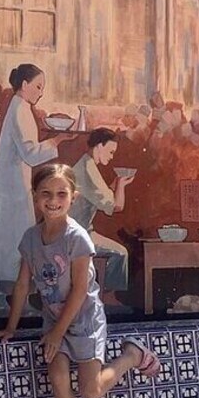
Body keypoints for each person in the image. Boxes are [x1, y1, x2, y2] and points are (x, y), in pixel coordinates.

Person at [0, 163, 161, 398]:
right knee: (57, 376)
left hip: (84, 322)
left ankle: (132, 356)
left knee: (91, 391)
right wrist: (11, 328)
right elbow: (23, 284)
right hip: (55, 321)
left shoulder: (77, 238)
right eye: (46, 193)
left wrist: (57, 334)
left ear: (73, 197)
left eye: (61, 194)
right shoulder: (30, 238)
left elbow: (80, 289)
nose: (53, 201)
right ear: (34, 195)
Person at [0, 64, 75, 316]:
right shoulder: (20, 110)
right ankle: (11, 302)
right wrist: (57, 140)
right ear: (24, 85)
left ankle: (13, 301)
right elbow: (30, 153)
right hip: (11, 191)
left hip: (12, 187)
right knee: (16, 244)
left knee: (15, 243)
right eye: (37, 86)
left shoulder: (20, 108)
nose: (40, 92)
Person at [69, 128, 134, 312]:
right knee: (120, 253)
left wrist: (115, 186)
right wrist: (121, 185)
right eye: (111, 152)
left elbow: (101, 197)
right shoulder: (88, 169)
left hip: (80, 231)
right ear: (99, 146)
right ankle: (108, 297)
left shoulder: (87, 164)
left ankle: (104, 296)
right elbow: (116, 207)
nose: (112, 157)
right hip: (75, 235)